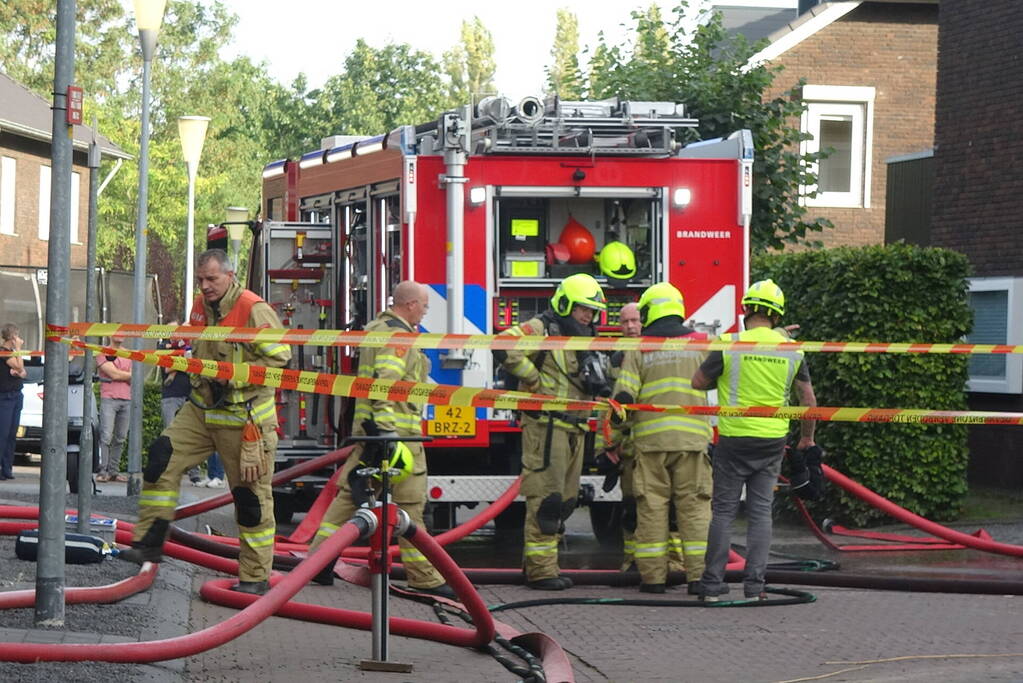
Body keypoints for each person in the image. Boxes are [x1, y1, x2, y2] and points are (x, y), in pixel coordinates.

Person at [119, 249, 292, 596]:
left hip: (245, 420)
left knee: (250, 500)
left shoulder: (253, 309)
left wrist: (234, 377)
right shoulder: (200, 307)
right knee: (161, 458)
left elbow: (281, 361)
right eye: (201, 279)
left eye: (211, 279)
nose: (205, 286)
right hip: (201, 411)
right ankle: (150, 543)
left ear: (230, 275)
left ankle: (255, 577)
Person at [306, 281, 455, 597]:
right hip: (397, 437)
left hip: (373, 433)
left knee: (348, 498)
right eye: (425, 305)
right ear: (411, 304)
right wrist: (389, 437)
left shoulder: (378, 328)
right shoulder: (398, 336)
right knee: (411, 507)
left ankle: (318, 562)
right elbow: (385, 386)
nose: (426, 311)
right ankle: (425, 578)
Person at [693, 279, 817, 602]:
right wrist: (807, 439)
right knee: (761, 512)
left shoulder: (730, 343)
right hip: (773, 440)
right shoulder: (791, 349)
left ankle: (711, 585)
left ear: (746, 309)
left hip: (734, 440)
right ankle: (755, 587)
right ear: (777, 316)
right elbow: (808, 399)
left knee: (723, 511)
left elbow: (697, 382)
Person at [499, 273, 608, 590]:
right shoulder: (542, 328)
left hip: (576, 428)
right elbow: (504, 345)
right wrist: (533, 379)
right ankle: (541, 572)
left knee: (566, 502)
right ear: (565, 304)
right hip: (546, 427)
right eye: (582, 309)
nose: (588, 316)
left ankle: (542, 565)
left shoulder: (585, 338)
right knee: (546, 501)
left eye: (591, 311)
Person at [610, 283, 713, 594]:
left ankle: (653, 580)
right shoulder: (701, 343)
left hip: (650, 445)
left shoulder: (639, 347)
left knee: (652, 509)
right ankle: (698, 578)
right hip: (692, 443)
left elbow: (622, 399)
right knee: (693, 509)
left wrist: (611, 441)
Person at [159, 326, 226, 488]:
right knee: (171, 436)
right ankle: (171, 474)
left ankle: (208, 476)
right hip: (171, 397)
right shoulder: (163, 347)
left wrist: (183, 361)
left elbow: (194, 364)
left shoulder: (191, 345)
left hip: (193, 396)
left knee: (206, 437)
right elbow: (168, 368)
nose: (177, 334)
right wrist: (184, 360)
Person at [96, 335, 132, 482]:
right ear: (110, 335)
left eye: (123, 332)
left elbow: (134, 375)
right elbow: (113, 373)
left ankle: (114, 472)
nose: (120, 335)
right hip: (109, 398)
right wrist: (126, 375)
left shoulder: (129, 353)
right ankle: (102, 471)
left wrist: (120, 374)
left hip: (127, 399)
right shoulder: (101, 352)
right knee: (105, 436)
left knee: (121, 437)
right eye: (117, 332)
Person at [0, 324, 28, 480]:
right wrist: (18, 350)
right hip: (5, 397)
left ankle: (7, 468)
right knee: (2, 434)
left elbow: (23, 372)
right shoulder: (4, 352)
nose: (20, 339)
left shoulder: (12, 354)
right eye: (17, 336)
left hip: (16, 395)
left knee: (12, 434)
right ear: (12, 338)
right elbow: (19, 366)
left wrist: (19, 370)